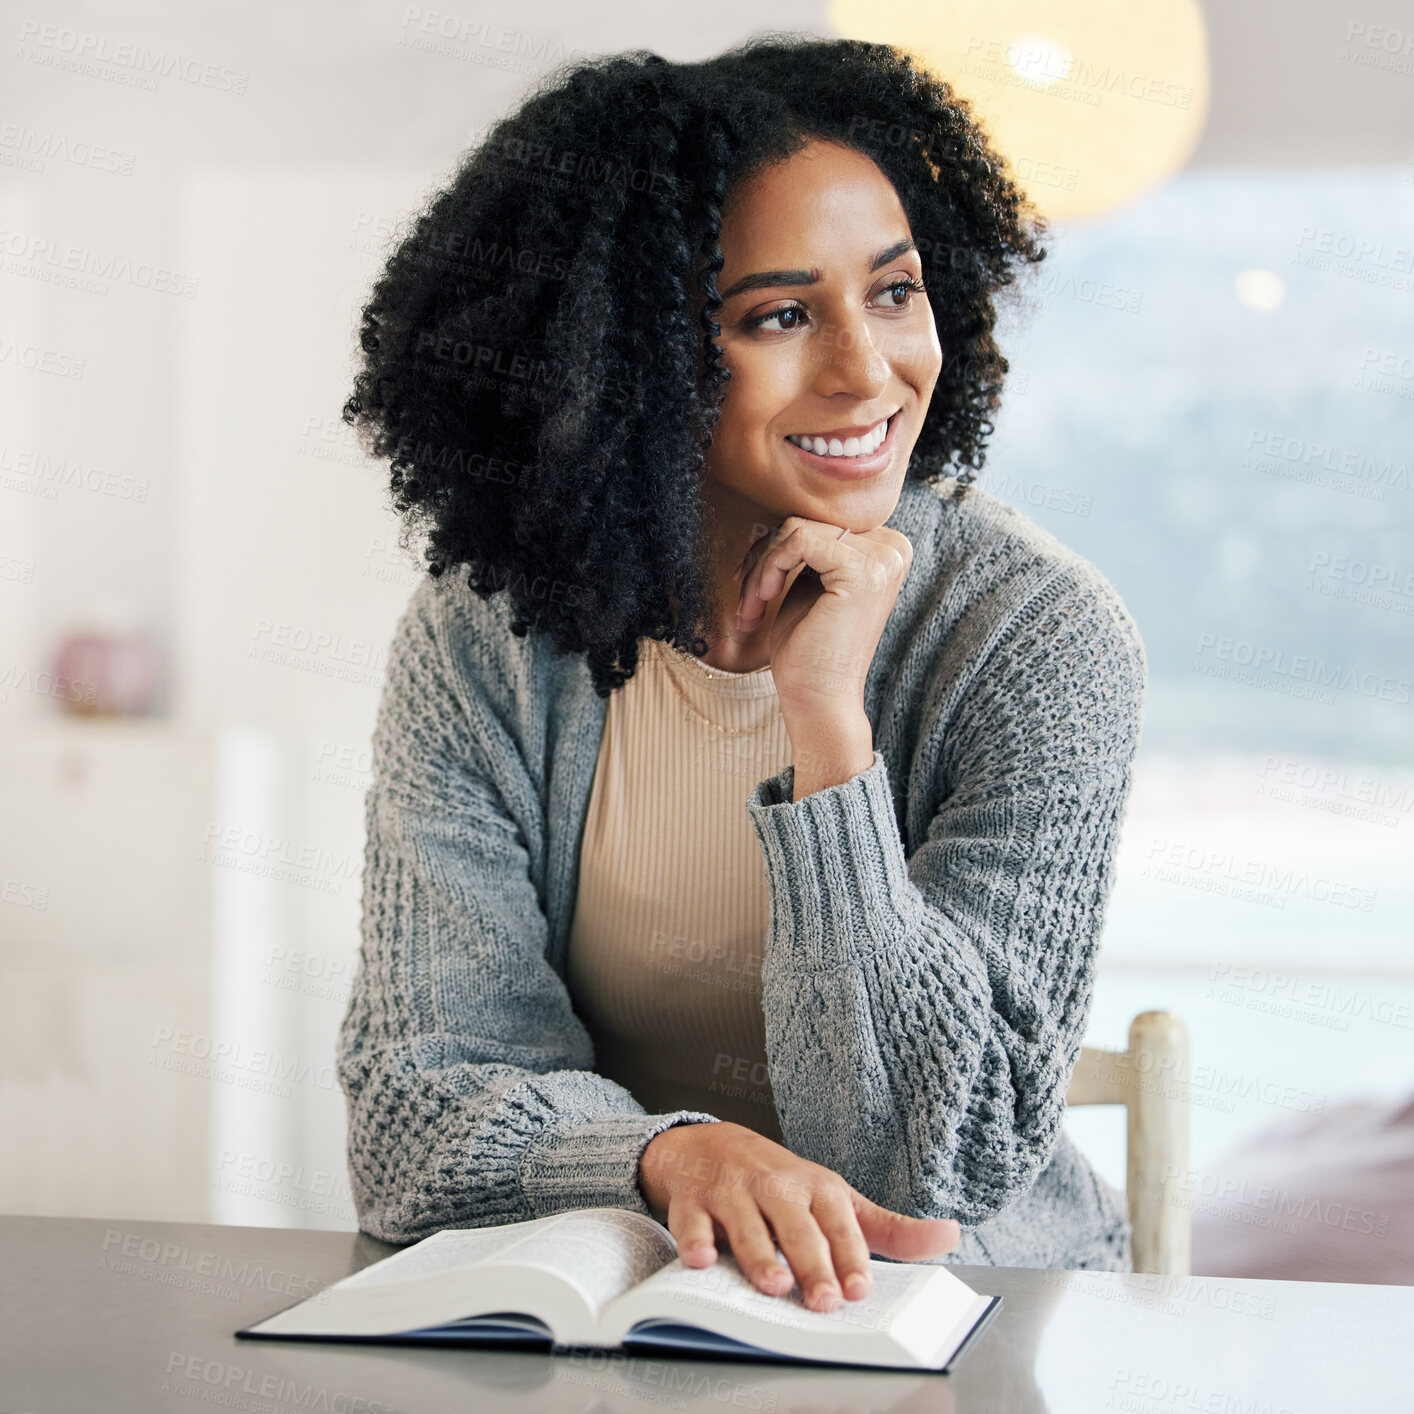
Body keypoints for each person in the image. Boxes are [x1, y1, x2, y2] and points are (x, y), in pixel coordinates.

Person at [336, 34, 1146, 1316]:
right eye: (778, 315)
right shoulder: (482, 640)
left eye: (893, 291)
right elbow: (417, 1104)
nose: (867, 369)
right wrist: (667, 1153)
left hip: (977, 1324)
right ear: (622, 364)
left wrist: (825, 724)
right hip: (644, 1300)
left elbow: (933, 1166)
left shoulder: (1033, 637)